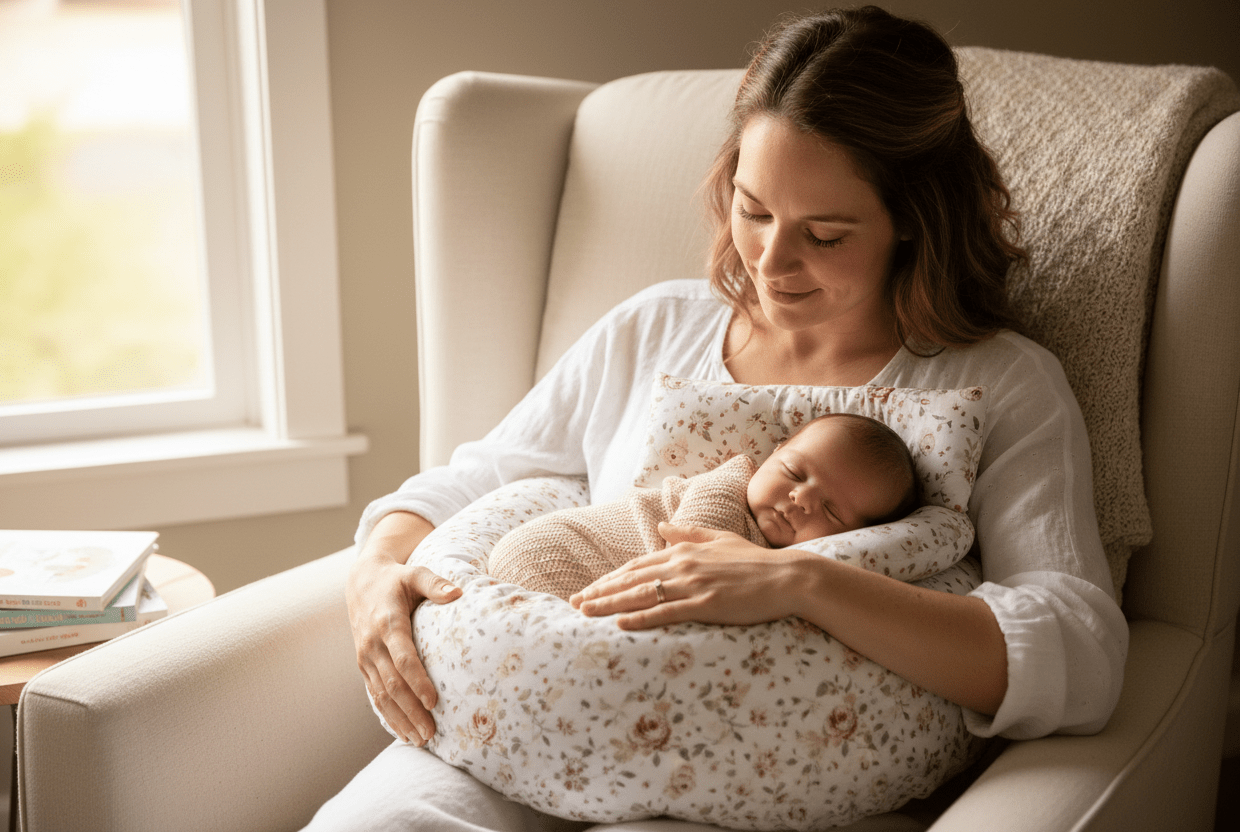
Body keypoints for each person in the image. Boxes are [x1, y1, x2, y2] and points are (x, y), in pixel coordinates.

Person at [313, 6, 1128, 830]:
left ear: (913, 219)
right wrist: (374, 573)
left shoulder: (997, 381)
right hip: (543, 727)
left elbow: (1081, 650)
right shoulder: (653, 329)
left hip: (774, 768)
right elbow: (479, 479)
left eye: (826, 233)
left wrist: (796, 580)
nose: (770, 262)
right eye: (754, 209)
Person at [488, 413, 920, 599]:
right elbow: (686, 565)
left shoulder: (798, 565)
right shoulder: (725, 492)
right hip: (555, 551)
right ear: (773, 453)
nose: (801, 499)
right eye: (794, 473)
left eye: (832, 511)